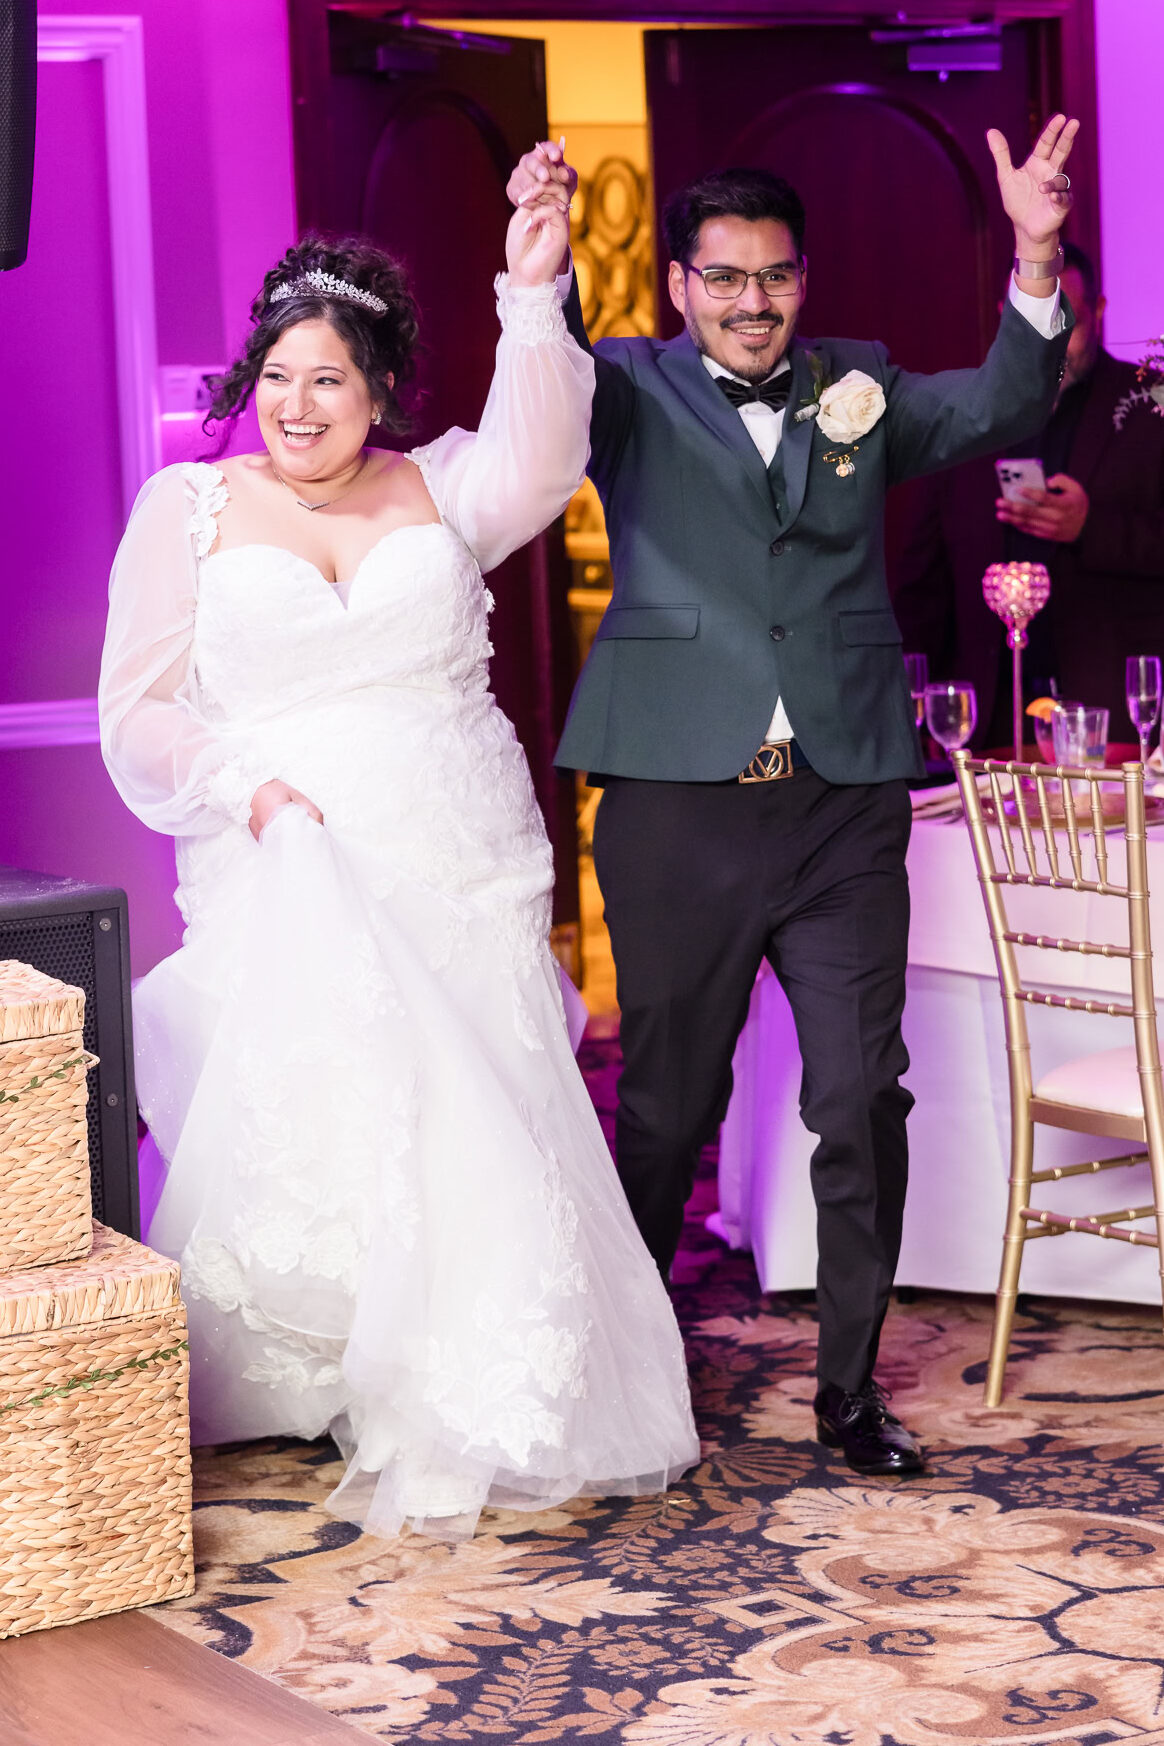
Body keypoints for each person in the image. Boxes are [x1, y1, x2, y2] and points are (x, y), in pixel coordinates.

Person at [98, 196, 699, 1540]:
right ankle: (322, 1362)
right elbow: (135, 706)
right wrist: (242, 789)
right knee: (338, 1099)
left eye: (330, 379)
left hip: (458, 848)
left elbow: (548, 459)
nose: (297, 406)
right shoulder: (189, 506)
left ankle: (455, 1364)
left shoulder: (445, 485)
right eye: (277, 376)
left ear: (381, 391)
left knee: (476, 1100)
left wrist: (530, 294)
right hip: (285, 848)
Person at [507, 116, 1077, 1477]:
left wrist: (1038, 251)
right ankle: (629, 1373)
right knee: (666, 1099)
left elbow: (1006, 396)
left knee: (861, 1095)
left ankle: (846, 1390)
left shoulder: (858, 387)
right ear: (682, 285)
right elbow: (542, 379)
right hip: (675, 800)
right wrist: (537, 275)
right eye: (723, 277)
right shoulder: (625, 386)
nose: (750, 302)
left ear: (801, 280)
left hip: (843, 802)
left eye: (772, 277)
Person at [892, 241, 1164, 744]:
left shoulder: (1152, 403)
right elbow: (921, 583)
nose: (1056, 346)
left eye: (1071, 325)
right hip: (989, 717)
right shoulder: (964, 413)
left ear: (1100, 313)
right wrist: (903, 703)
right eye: (1043, 326)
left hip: (1115, 715)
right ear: (1008, 316)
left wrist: (1092, 527)